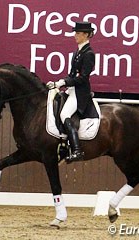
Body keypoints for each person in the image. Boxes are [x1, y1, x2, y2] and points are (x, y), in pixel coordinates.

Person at [48, 21, 95, 163]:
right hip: (71, 89)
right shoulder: (77, 52)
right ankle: (63, 145)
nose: (75, 35)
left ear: (86, 35)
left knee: (64, 114)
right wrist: (58, 83)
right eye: (75, 33)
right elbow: (72, 74)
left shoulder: (89, 54)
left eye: (78, 33)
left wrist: (63, 82)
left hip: (80, 93)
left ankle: (77, 150)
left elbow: (83, 78)